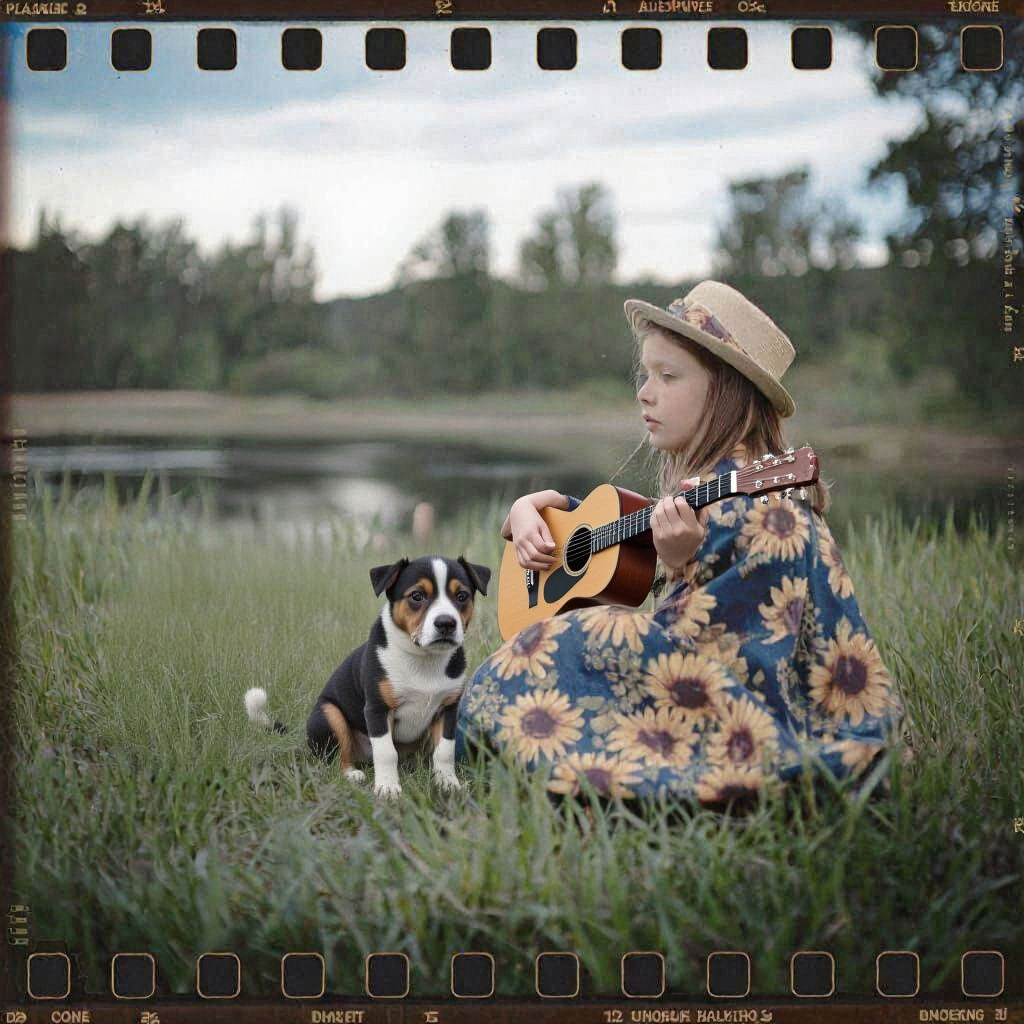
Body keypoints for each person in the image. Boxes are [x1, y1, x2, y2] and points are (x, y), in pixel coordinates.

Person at [454, 282, 904, 808]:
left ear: (727, 393)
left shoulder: (766, 510)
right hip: (699, 697)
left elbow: (726, 668)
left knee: (551, 651)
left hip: (733, 726)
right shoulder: (708, 490)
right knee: (551, 648)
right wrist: (527, 510)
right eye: (647, 374)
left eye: (668, 376)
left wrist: (679, 571)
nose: (645, 391)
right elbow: (603, 530)